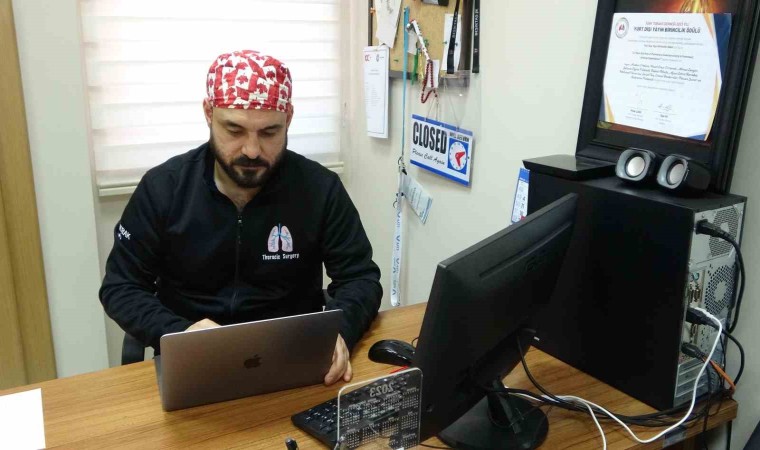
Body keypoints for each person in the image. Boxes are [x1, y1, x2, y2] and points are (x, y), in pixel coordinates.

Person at [100, 50, 382, 385]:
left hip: (295, 360)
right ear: (209, 113)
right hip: (194, 360)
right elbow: (122, 286)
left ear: (289, 118)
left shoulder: (320, 189)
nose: (252, 150)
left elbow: (360, 278)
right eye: (234, 130)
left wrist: (339, 330)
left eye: (269, 132)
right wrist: (177, 332)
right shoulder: (163, 188)